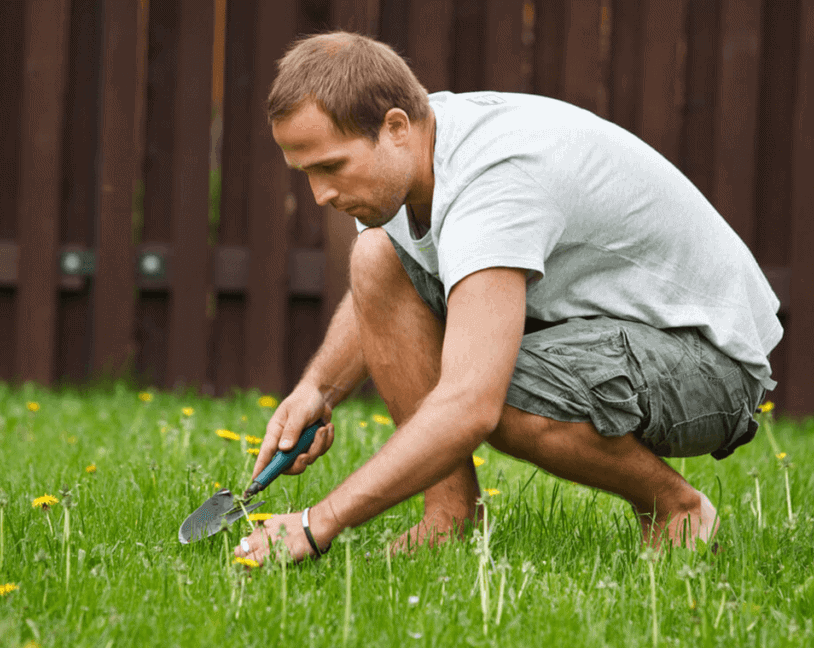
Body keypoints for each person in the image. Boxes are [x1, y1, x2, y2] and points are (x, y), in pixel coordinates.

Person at [233, 31, 781, 565]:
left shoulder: (494, 183)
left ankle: (677, 510)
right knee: (376, 257)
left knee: (502, 393)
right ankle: (450, 517)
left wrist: (316, 524)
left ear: (395, 126)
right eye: (306, 172)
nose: (321, 194)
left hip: (709, 362)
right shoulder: (415, 155)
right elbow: (388, 282)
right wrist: (318, 389)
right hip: (599, 327)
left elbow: (470, 404)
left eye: (331, 166)